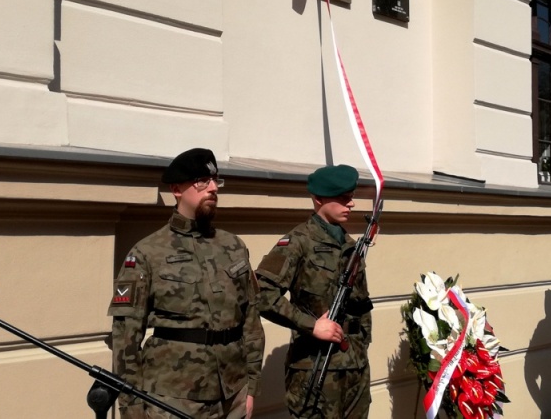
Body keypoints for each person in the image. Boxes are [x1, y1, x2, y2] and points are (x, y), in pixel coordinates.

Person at [108, 148, 265, 419]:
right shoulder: (147, 253)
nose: (213, 188)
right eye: (202, 181)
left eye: (216, 181)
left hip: (233, 392)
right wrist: (132, 408)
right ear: (177, 189)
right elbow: (126, 340)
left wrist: (251, 387)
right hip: (175, 398)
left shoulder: (233, 246)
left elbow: (251, 319)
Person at [255, 165, 373, 418]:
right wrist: (310, 325)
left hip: (354, 367)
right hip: (316, 368)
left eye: (351, 197)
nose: (350, 204)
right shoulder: (298, 242)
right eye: (343, 198)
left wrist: (361, 345)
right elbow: (261, 294)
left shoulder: (352, 246)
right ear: (319, 199)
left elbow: (361, 304)